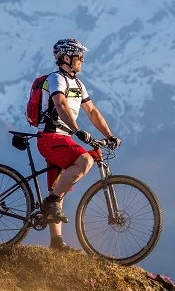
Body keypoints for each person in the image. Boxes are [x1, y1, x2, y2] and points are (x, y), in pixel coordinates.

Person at [36, 38, 121, 251]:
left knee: (58, 188)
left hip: (63, 138)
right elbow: (60, 103)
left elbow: (92, 112)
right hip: (51, 138)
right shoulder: (56, 79)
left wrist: (109, 135)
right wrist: (77, 131)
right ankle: (51, 202)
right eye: (78, 55)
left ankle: (56, 242)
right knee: (84, 160)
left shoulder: (78, 84)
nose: (82, 59)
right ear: (66, 58)